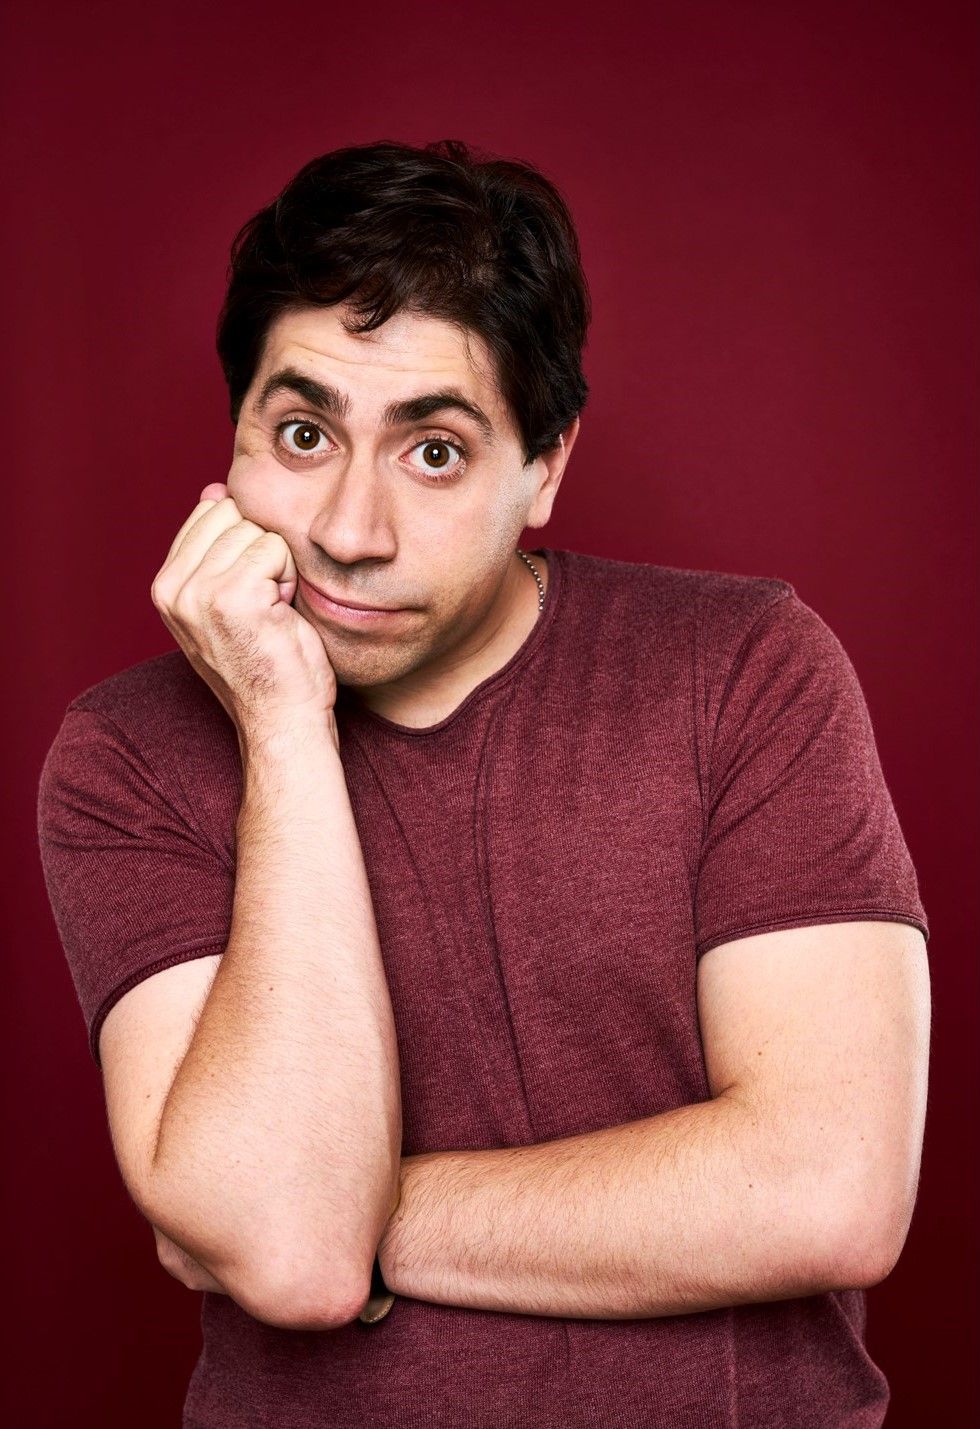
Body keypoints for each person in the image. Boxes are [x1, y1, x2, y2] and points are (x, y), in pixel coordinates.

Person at [36, 138, 931, 1428]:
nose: (348, 531)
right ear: (233, 438)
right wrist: (282, 722)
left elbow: (827, 1194)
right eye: (302, 435)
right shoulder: (129, 756)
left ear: (545, 467)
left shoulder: (744, 668)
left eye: (436, 452)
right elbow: (294, 1261)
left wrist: (343, 1208)